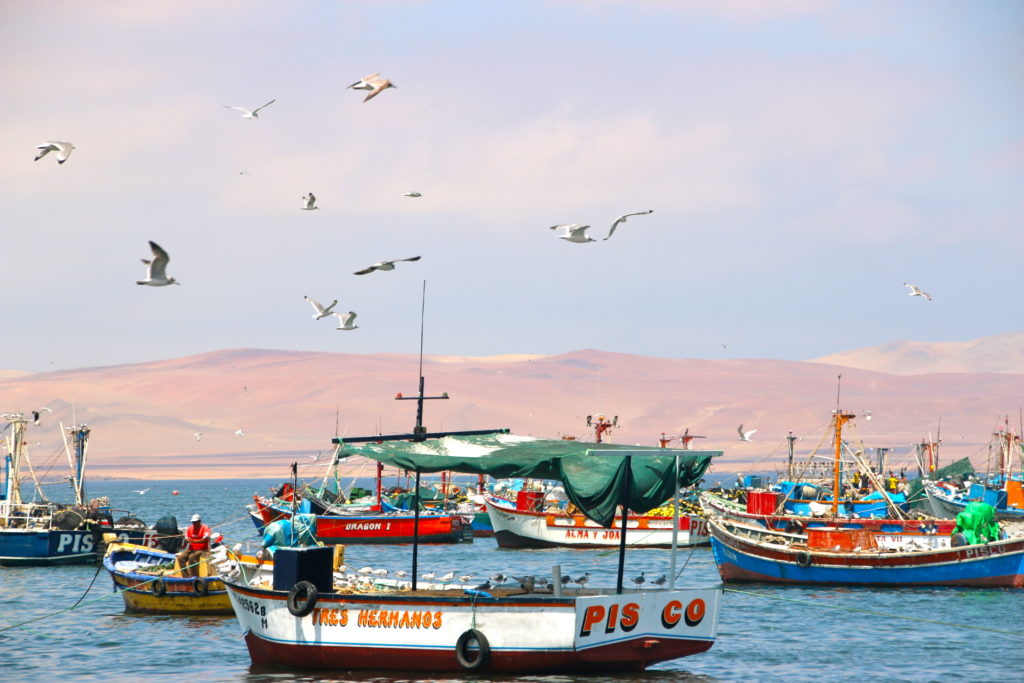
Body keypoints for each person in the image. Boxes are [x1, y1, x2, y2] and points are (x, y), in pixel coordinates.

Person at [177, 513, 211, 578]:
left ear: (199, 521)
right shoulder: (190, 529)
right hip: (192, 548)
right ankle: (185, 576)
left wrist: (195, 541)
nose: (194, 524)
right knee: (181, 558)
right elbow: (187, 538)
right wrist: (188, 540)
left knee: (192, 557)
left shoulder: (205, 528)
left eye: (195, 522)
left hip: (202, 549)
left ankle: (194, 576)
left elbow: (206, 539)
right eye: (193, 522)